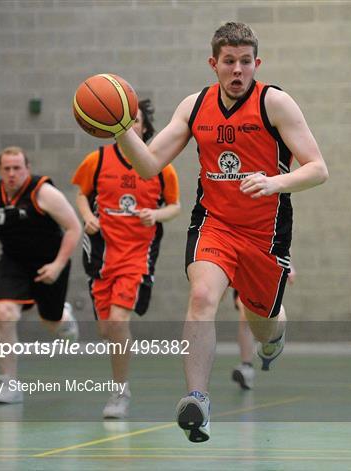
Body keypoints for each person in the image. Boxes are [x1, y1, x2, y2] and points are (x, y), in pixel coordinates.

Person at [113, 22, 328, 442]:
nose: (237, 70)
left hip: (265, 233)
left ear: (256, 63)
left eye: (245, 62)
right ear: (214, 63)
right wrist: (122, 129)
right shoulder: (195, 106)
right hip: (215, 223)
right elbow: (148, 165)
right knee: (202, 296)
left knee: (262, 322)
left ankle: (274, 334)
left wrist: (274, 182)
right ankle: (198, 399)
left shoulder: (275, 103)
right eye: (229, 61)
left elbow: (318, 168)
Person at [72, 99, 181, 419]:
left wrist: (156, 213)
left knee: (119, 322)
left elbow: (175, 206)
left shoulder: (161, 166)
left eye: (133, 121)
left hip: (137, 255)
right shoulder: (97, 160)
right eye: (122, 121)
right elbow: (80, 194)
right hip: (103, 255)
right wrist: (85, 217)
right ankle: (120, 385)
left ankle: (119, 391)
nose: (128, 126)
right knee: (107, 330)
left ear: (144, 128)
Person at [0, 146, 82, 404]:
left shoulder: (44, 193)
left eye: (17, 168)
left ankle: (64, 317)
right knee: (3, 314)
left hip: (49, 263)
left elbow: (73, 228)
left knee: (51, 322)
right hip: (13, 263)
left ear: (27, 168)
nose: (12, 173)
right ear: (0, 170)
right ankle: (9, 382)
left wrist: (57, 265)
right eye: (7, 169)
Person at [231, 264, 296, 390]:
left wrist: (288, 264)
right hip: (244, 270)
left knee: (269, 315)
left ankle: (275, 336)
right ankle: (246, 366)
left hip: (267, 269)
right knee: (244, 313)